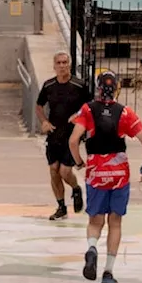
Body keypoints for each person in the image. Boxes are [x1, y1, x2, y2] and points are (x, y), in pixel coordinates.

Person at [68, 71, 142, 283]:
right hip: (119, 173)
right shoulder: (125, 112)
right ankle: (108, 271)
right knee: (115, 222)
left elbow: (73, 140)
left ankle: (91, 247)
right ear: (117, 88)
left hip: (96, 170)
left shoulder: (88, 110)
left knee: (95, 220)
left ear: (98, 87)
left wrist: (79, 162)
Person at [36, 51, 90, 220]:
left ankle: (75, 188)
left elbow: (89, 107)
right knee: (53, 170)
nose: (61, 66)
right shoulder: (48, 86)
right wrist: (44, 121)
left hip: (71, 134)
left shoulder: (79, 85)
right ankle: (61, 207)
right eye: (58, 63)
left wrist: (79, 116)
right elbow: (39, 105)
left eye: (64, 62)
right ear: (54, 66)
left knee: (65, 171)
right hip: (54, 134)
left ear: (69, 65)